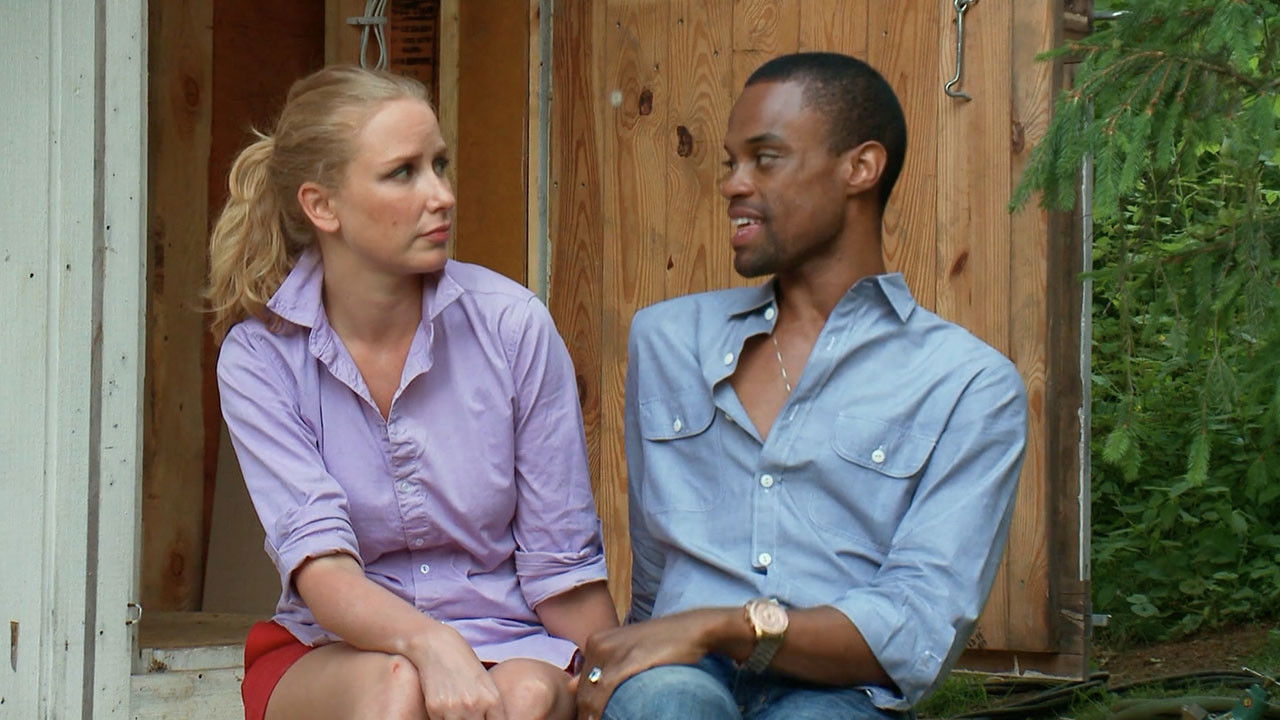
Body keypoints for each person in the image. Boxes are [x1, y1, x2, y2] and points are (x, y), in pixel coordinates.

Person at [574, 52, 1029, 720]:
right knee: (665, 704)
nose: (733, 183)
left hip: (838, 691)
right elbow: (654, 576)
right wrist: (654, 650)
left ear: (860, 168)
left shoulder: (966, 384)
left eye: (766, 158)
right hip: (678, 679)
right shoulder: (667, 340)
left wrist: (723, 625)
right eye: (731, 162)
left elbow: (916, 628)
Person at [208, 65, 618, 720]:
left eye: (440, 165)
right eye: (404, 172)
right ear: (322, 206)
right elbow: (324, 567)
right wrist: (431, 644)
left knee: (531, 695)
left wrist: (612, 686)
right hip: (331, 649)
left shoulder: (512, 326)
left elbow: (560, 562)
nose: (442, 194)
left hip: (508, 638)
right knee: (396, 687)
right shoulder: (260, 355)